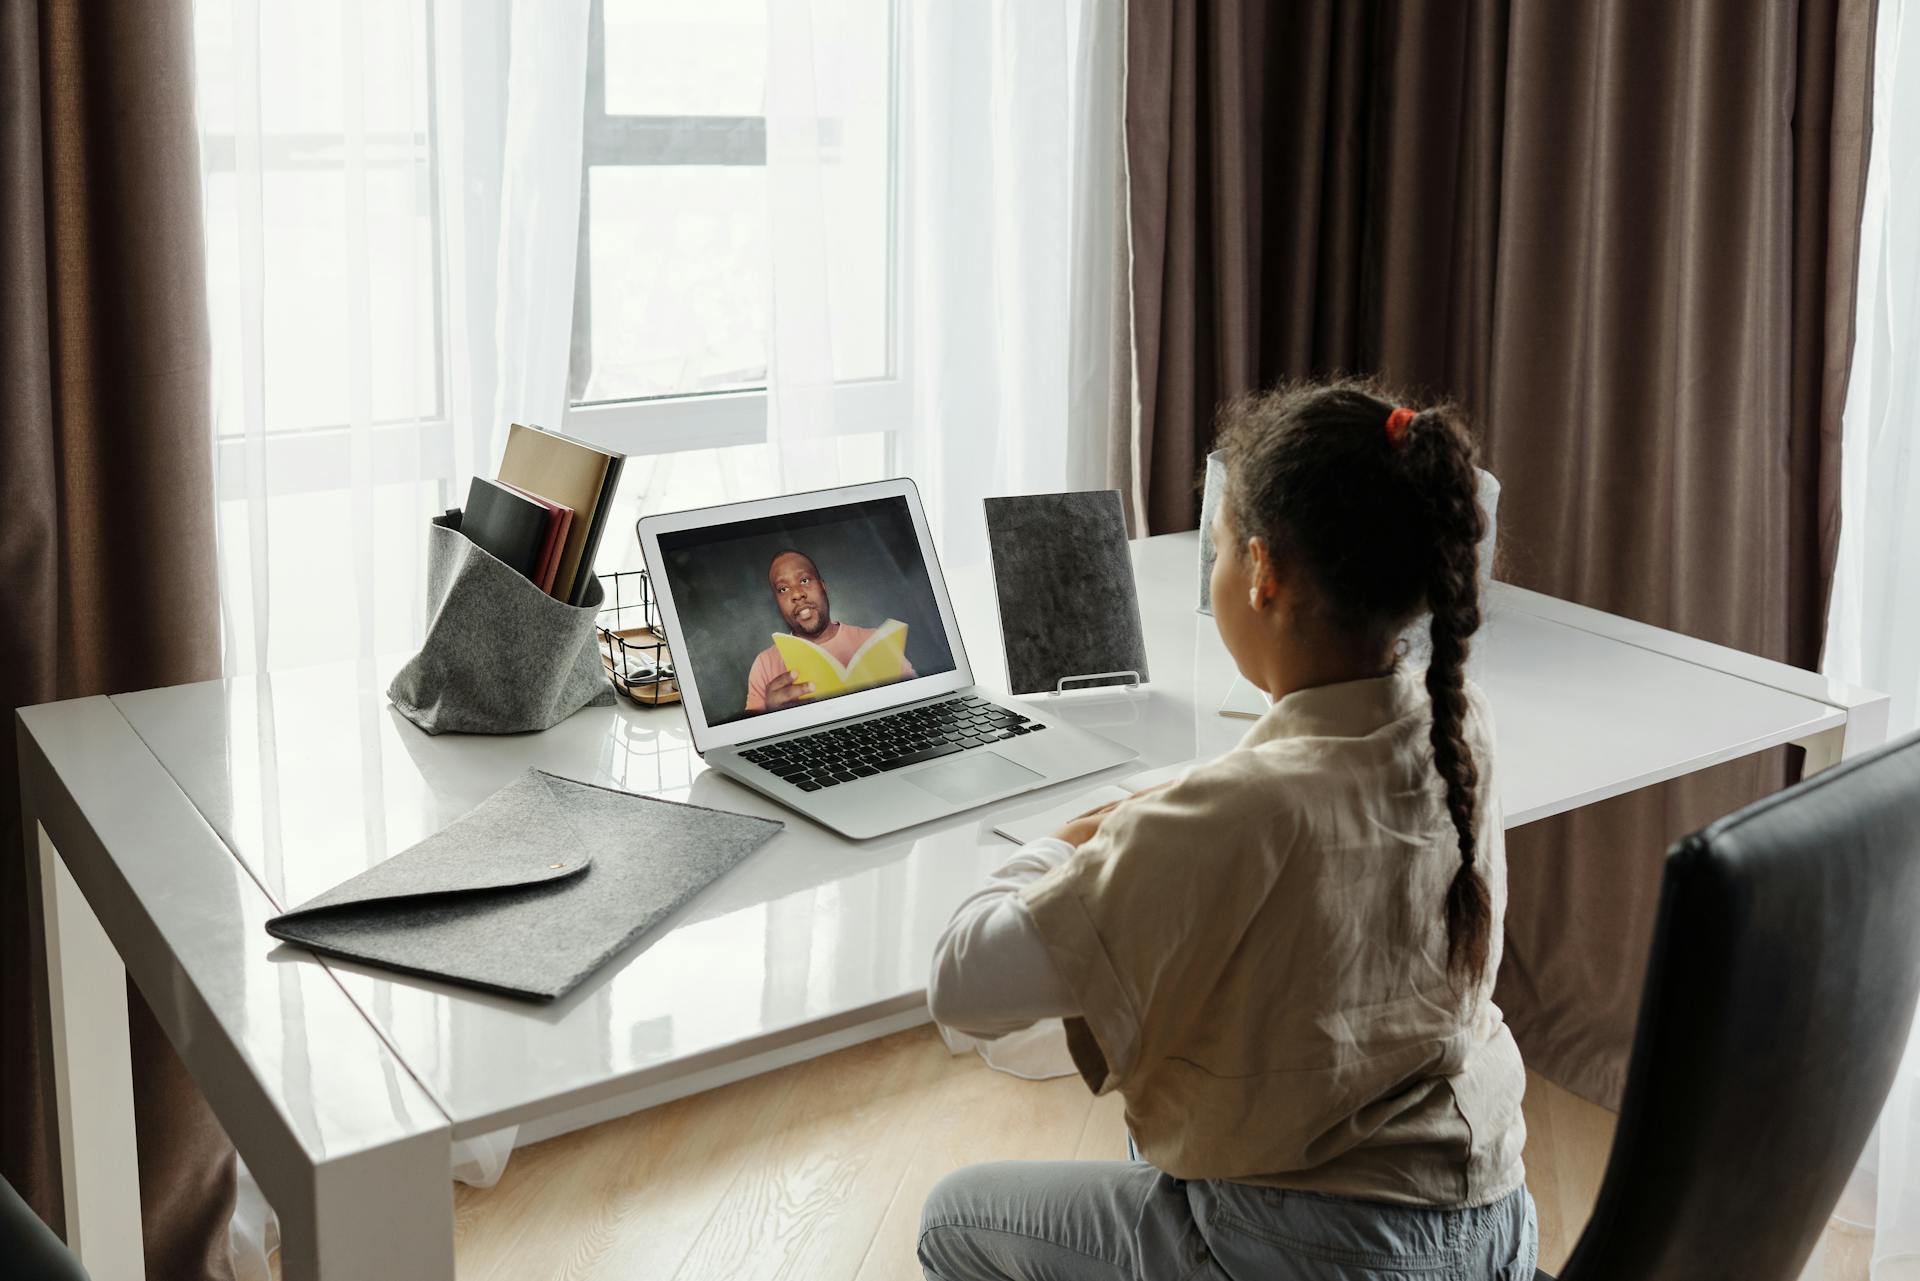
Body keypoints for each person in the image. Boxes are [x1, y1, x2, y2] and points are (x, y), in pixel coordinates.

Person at [918, 380, 1535, 1280]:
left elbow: (962, 980)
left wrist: (1068, 835)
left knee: (950, 1220)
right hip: (1492, 1224)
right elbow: (1294, 806)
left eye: (1214, 552)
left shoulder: (1232, 818)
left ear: (1262, 571)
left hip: (1318, 1254)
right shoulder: (1459, 726)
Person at [744, 549, 915, 713]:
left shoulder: (876, 642)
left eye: (804, 580)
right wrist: (772, 717)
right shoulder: (764, 664)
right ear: (778, 603)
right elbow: (750, 735)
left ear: (823, 587)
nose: (797, 594)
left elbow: (917, 702)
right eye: (783, 589)